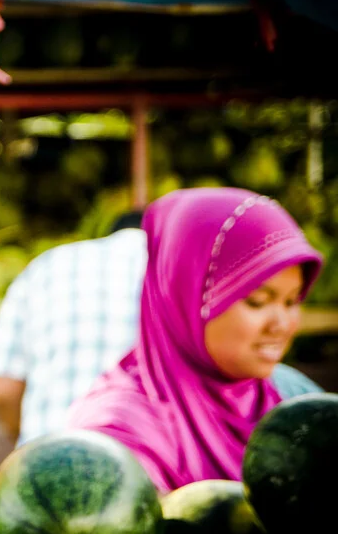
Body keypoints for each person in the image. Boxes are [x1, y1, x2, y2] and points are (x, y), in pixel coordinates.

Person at [67, 187, 324, 493]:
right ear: (186, 297)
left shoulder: (292, 395)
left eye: (292, 301)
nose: (282, 324)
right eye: (257, 301)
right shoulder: (116, 441)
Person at [0, 209, 147, 449]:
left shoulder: (45, 266)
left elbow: (3, 389)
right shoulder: (172, 268)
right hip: (142, 465)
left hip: (46, 458)